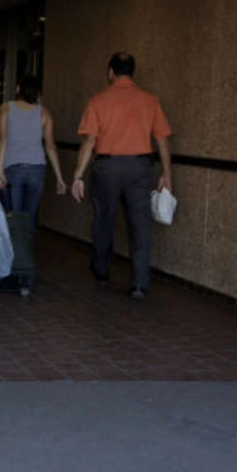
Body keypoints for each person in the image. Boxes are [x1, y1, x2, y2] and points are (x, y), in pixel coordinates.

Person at [71, 52, 172, 301]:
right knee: (140, 226)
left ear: (110, 72)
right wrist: (167, 174)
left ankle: (102, 271)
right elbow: (162, 140)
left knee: (103, 220)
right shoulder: (150, 101)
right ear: (132, 71)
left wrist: (78, 176)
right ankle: (139, 284)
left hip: (107, 168)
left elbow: (89, 141)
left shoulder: (98, 100)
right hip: (140, 168)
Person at [0, 75, 67, 234]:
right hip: (37, 170)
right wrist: (60, 177)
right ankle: (27, 255)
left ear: (18, 89)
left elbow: (2, 140)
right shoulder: (44, 113)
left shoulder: (6, 108)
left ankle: (14, 256)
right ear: (38, 93)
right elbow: (50, 146)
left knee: (14, 216)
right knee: (30, 217)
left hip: (13, 168)